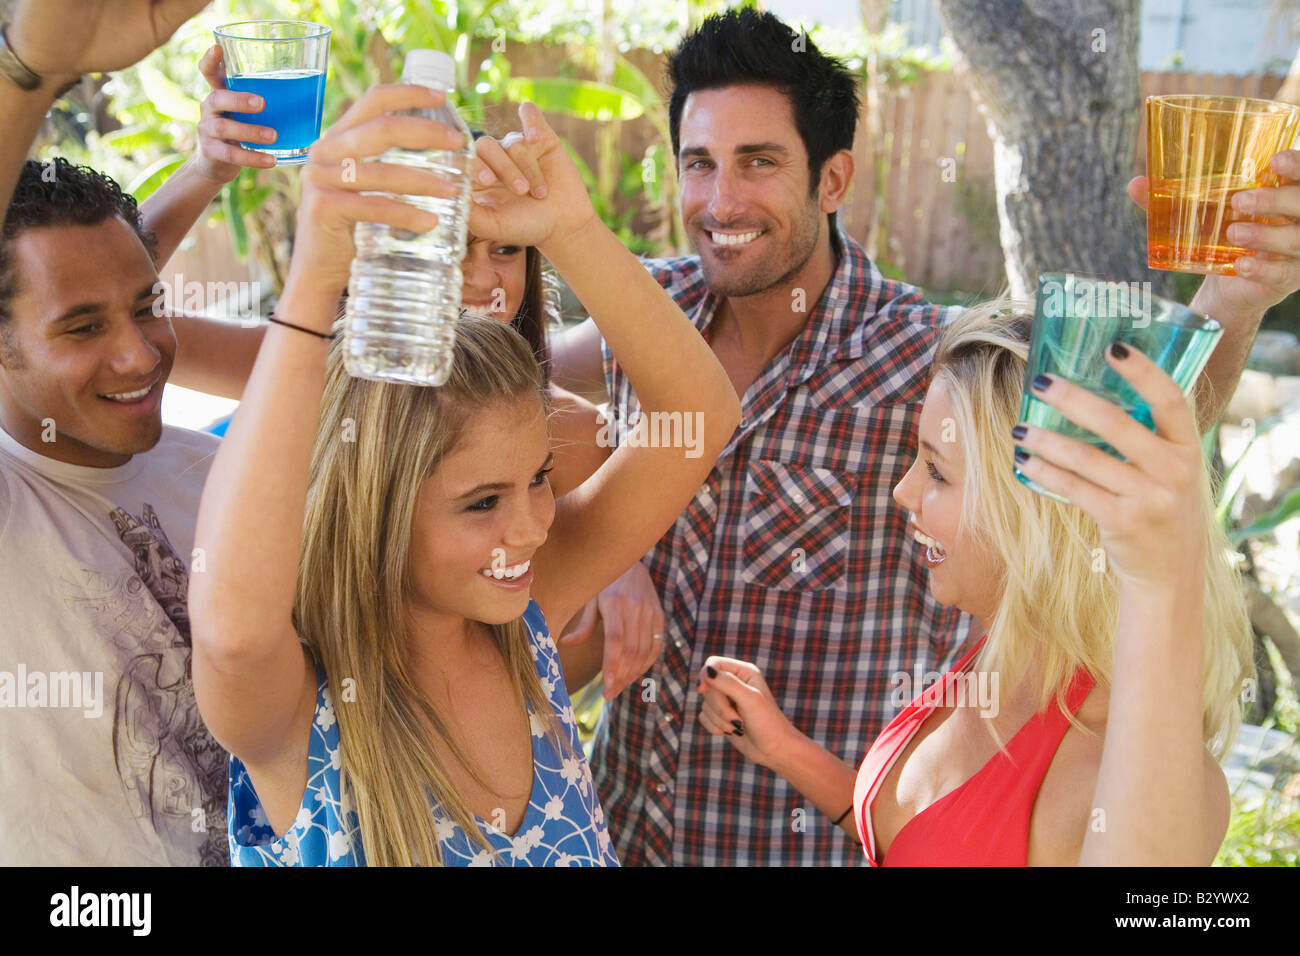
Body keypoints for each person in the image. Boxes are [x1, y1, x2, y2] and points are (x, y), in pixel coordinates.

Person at [546, 8, 1300, 866]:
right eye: (699, 163)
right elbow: (497, 401)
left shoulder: (920, 356)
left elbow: (1131, 436)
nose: (720, 201)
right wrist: (612, 540)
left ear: (833, 180)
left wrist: (1234, 299)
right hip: (620, 832)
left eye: (758, 163)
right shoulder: (644, 319)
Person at [186, 89, 741, 865]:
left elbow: (700, 416)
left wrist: (571, 230)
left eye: (539, 479)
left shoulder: (524, 620)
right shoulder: (296, 710)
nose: (533, 525)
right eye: (482, 501)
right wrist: (313, 281)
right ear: (374, 500)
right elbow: (231, 631)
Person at [160, 47, 657, 699]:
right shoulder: (306, 374)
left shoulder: (565, 431)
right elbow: (118, 321)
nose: (481, 277)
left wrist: (618, 560)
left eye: (506, 248)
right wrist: (206, 171)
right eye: (449, 245)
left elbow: (556, 665)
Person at [696, 300, 1254, 865]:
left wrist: (1160, 585)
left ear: (1036, 515)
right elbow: (928, 842)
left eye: (937, 471)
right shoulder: (1002, 650)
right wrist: (786, 749)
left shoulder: (1125, 772)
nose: (903, 493)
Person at [0, 0, 224, 865]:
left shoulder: (220, 473)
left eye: (149, 306)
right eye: (83, 328)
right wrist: (30, 72)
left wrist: (207, 169)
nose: (141, 355)